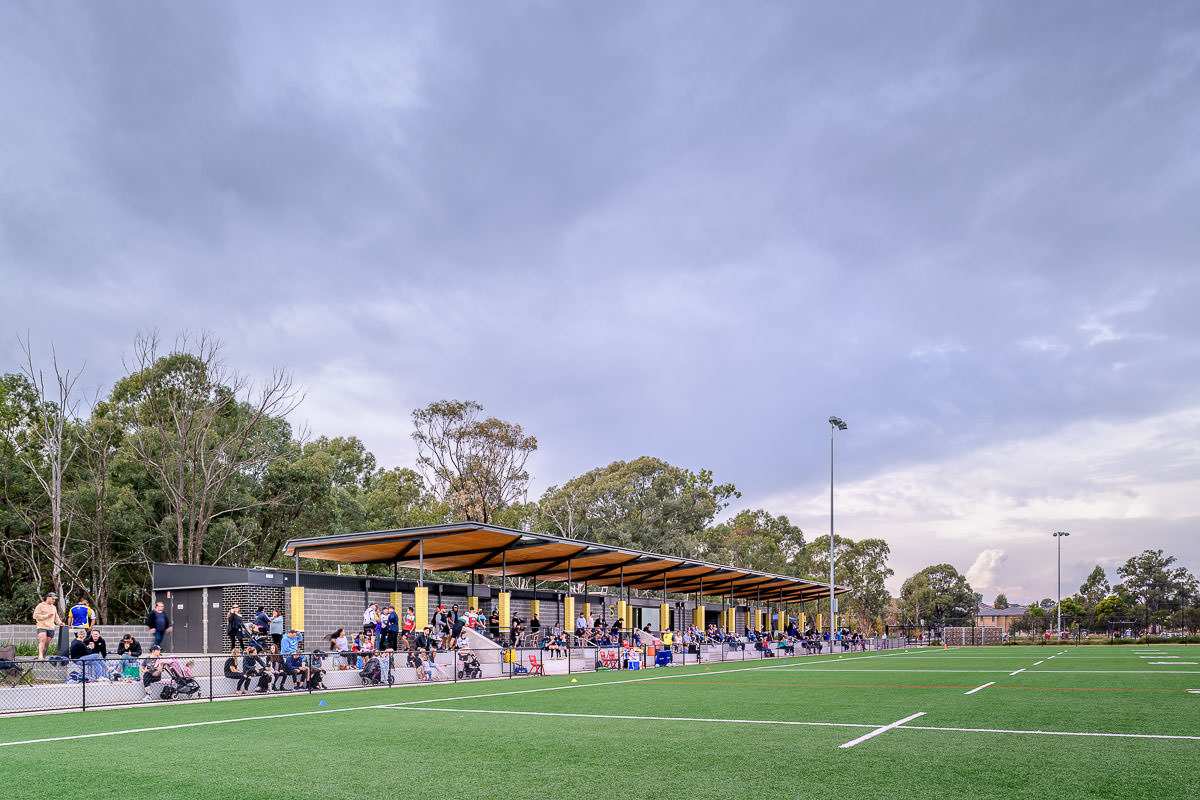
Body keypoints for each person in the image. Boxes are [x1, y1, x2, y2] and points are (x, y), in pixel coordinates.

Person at [33, 592, 64, 659]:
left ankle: (43, 656)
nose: (54, 600)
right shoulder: (40, 605)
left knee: (46, 644)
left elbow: (56, 617)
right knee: (42, 639)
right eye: (52, 599)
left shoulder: (54, 607)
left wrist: (60, 623)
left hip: (51, 627)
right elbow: (35, 616)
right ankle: (40, 656)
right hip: (42, 626)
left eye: (54, 599)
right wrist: (46, 616)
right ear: (48, 598)